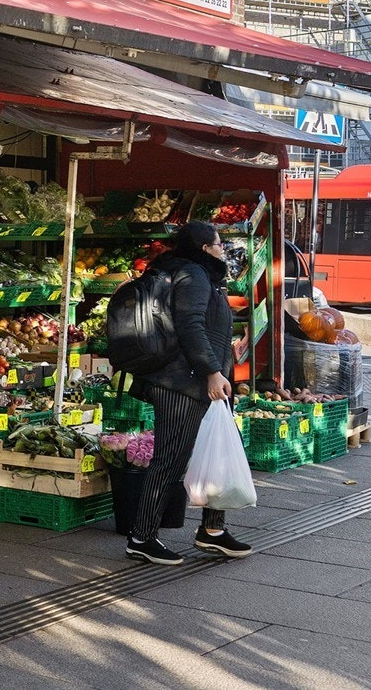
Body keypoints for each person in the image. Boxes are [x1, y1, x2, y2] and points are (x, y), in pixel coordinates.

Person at [125, 220, 252, 566]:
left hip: (194, 379)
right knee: (171, 458)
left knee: (219, 449)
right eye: (218, 244)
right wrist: (212, 371)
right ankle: (142, 536)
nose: (222, 249)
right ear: (203, 248)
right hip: (183, 382)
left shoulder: (192, 273)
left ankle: (212, 530)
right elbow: (190, 325)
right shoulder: (193, 275)